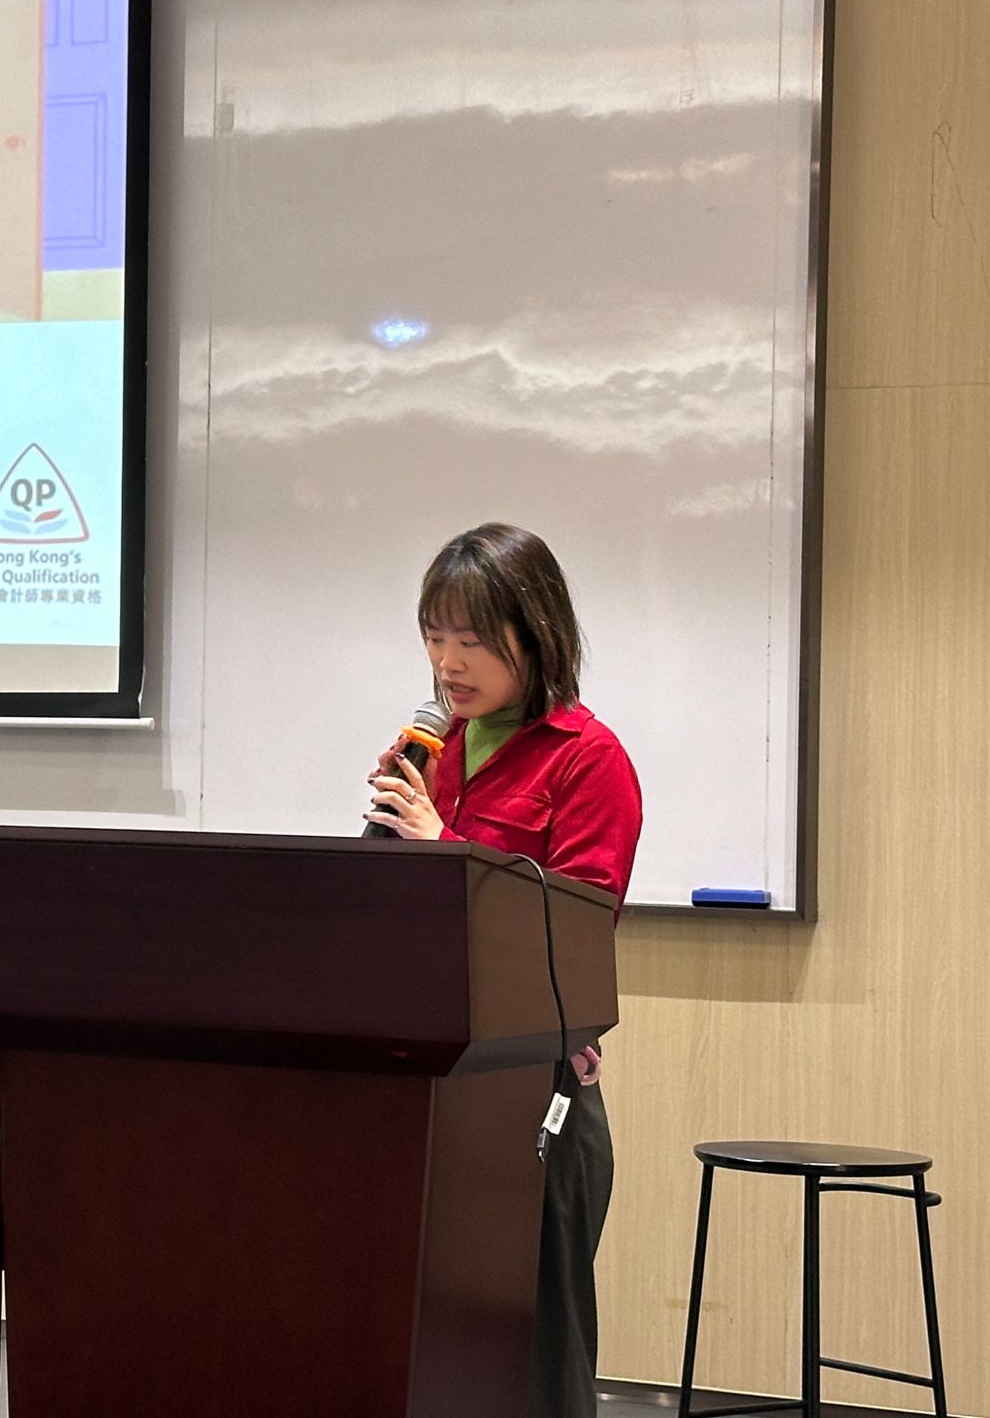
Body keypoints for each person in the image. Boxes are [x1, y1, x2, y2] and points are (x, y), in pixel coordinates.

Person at [360, 522, 643, 1418]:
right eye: (434, 636)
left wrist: (442, 844)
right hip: (428, 1092)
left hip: (534, 1100)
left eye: (473, 640)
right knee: (425, 1349)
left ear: (536, 630)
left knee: (537, 1353)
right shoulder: (435, 751)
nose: (447, 663)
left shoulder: (588, 758)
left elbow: (574, 932)